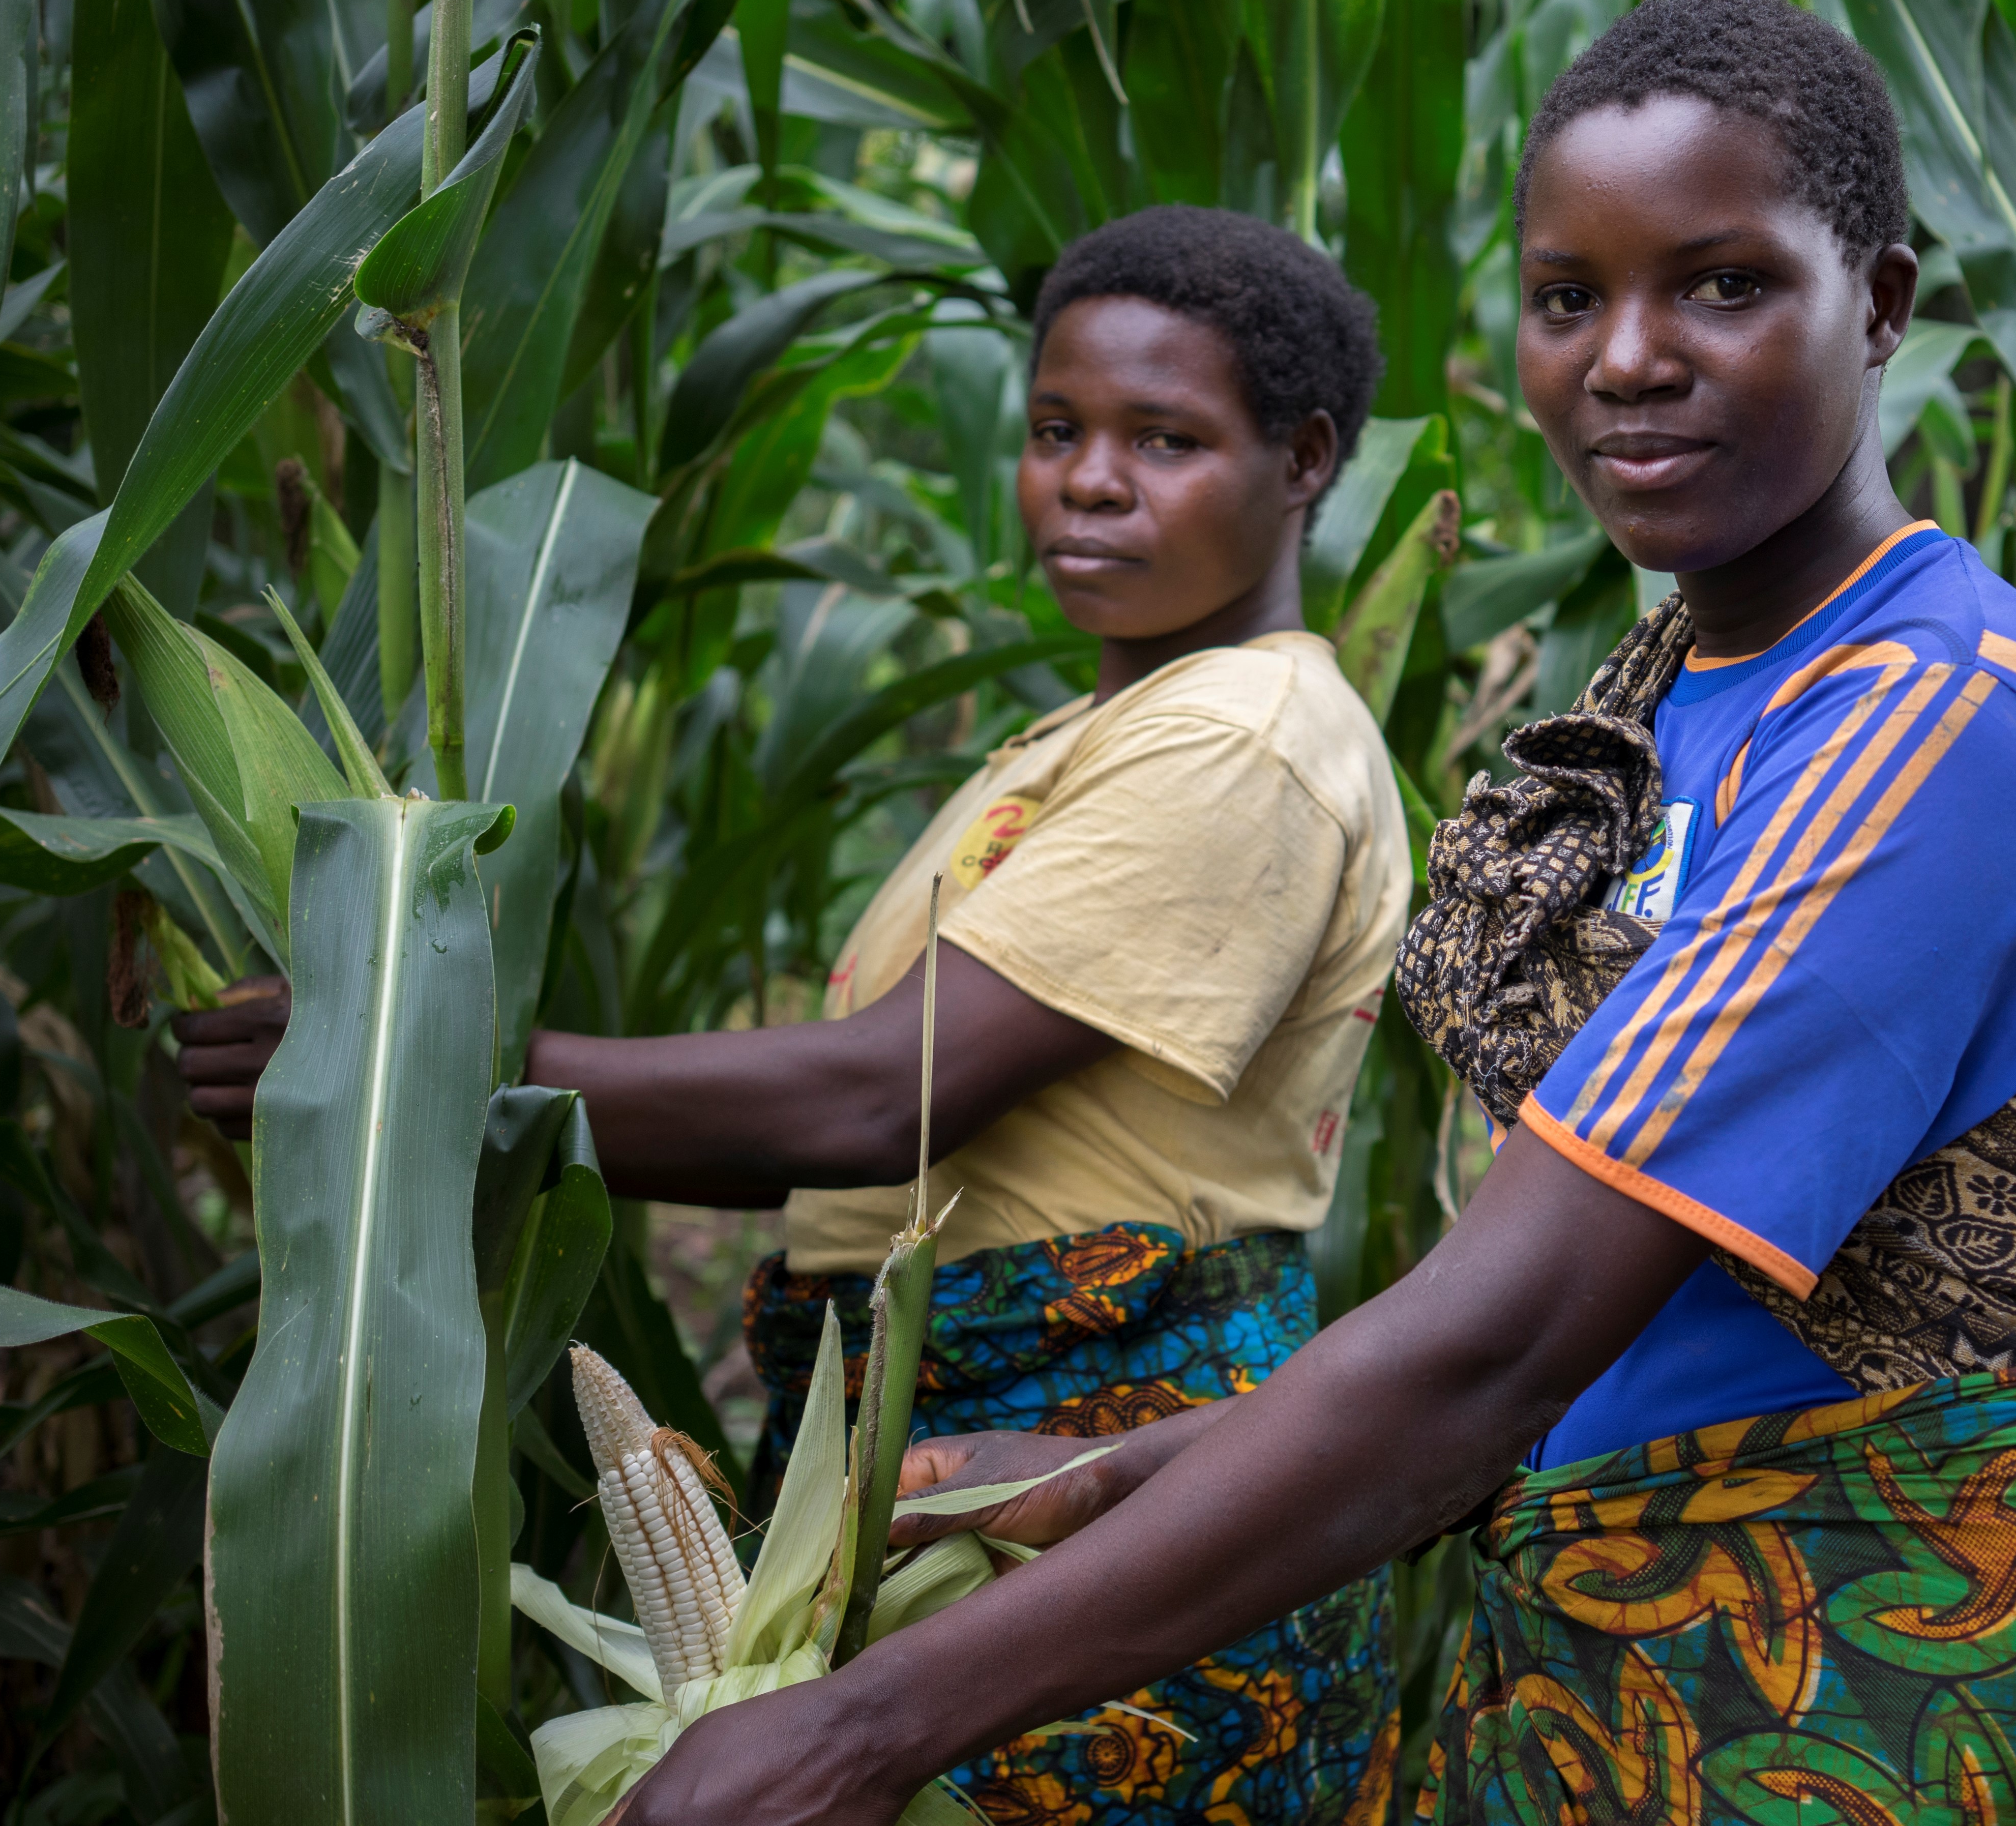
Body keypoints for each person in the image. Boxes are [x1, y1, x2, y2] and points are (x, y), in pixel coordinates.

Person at [607, 0, 2016, 1826]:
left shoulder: (1937, 731)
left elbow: (1505, 1331)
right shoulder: (1690, 694)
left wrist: (860, 1734)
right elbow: (1621, 1301)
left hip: (1860, 1658)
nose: (1626, 359)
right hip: (1644, 1614)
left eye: (1727, 285)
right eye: (1565, 297)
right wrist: (1132, 1471)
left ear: (1889, 310)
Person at [171, 204, 1414, 1825]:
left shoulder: (1242, 739)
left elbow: (869, 1104)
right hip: (947, 1437)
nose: (1089, 481)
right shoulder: (1094, 734)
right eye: (1056, 432)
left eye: (1164, 440)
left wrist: (409, 1047)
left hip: (1090, 1448)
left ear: (1305, 458)